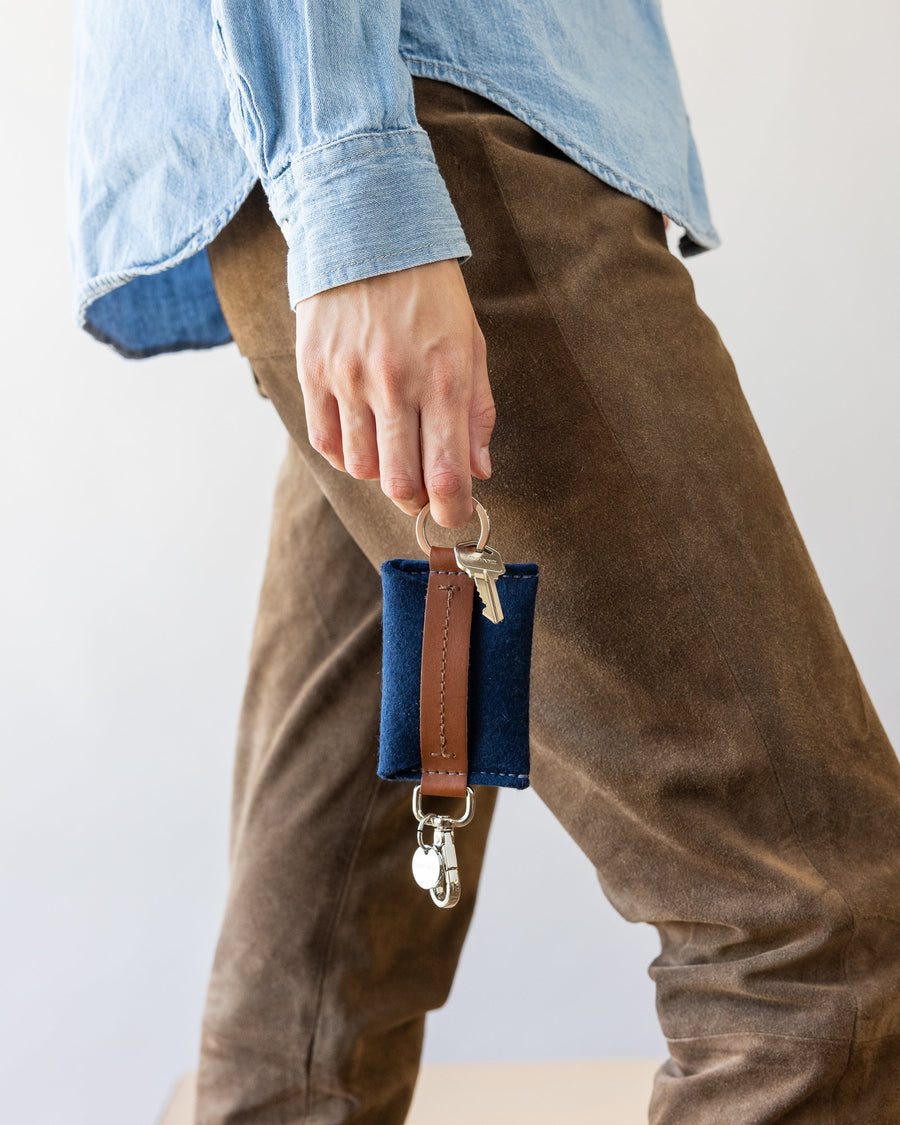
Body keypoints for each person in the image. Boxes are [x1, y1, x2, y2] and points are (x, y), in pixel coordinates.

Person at [67, 2, 900, 1122]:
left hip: (400, 132)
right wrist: (354, 181)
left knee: (310, 1012)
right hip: (426, 133)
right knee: (813, 932)